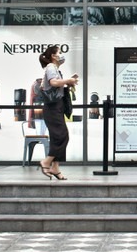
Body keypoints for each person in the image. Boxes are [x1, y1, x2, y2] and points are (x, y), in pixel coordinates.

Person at [38, 45, 78, 180]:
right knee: (62, 136)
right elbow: (54, 82)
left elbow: (56, 85)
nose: (61, 54)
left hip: (57, 106)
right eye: (59, 52)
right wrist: (68, 81)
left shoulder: (55, 69)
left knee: (57, 137)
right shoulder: (51, 67)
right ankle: (47, 161)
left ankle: (55, 167)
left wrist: (68, 83)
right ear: (53, 56)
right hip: (52, 107)